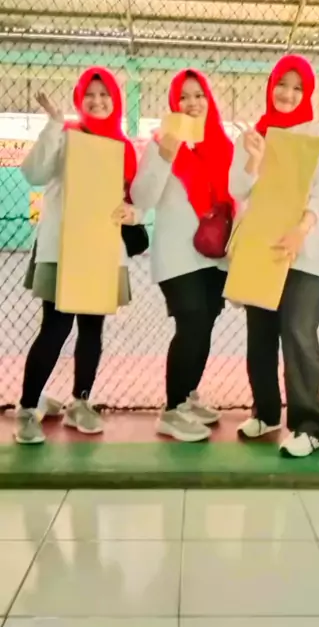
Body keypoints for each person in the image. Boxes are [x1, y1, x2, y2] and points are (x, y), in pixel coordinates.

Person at [16, 67, 140, 444]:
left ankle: (81, 402)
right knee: (55, 328)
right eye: (91, 94)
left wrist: (132, 213)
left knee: (91, 328)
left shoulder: (123, 148)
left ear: (116, 101)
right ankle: (27, 407)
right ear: (80, 99)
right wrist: (54, 124)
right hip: (63, 250)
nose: (98, 101)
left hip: (102, 251)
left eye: (105, 95)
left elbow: (132, 200)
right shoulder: (66, 137)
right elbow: (34, 173)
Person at [230, 55, 319, 458]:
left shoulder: (317, 136)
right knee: (260, 335)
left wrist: (301, 230)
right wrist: (253, 159)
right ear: (270, 86)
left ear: (306, 93)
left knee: (298, 333)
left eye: (297, 87)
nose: (288, 94)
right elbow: (238, 188)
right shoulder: (254, 135)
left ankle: (308, 425)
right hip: (261, 249)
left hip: (303, 252)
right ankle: (267, 412)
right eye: (281, 85)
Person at [131, 69, 234, 443]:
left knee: (205, 324)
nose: (192, 103)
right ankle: (172, 410)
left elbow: (237, 195)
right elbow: (141, 198)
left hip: (216, 255)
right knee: (190, 324)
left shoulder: (224, 145)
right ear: (174, 105)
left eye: (198, 95)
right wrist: (164, 157)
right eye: (183, 97)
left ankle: (188, 395)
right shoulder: (161, 144)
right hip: (177, 257)